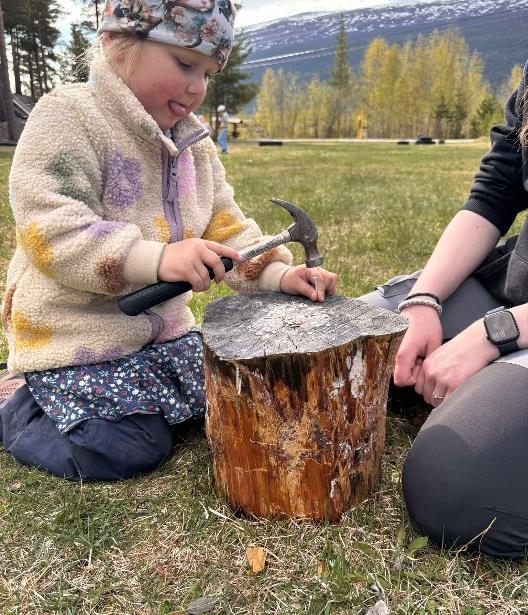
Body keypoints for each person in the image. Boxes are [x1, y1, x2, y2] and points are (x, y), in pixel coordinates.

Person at [0, 0, 337, 483]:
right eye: (184, 64)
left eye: (208, 73)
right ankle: (18, 404)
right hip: (74, 342)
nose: (197, 87)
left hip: (162, 336)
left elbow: (226, 226)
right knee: (122, 447)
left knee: (234, 392)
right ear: (120, 44)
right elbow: (50, 228)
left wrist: (280, 274)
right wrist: (153, 259)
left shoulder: (192, 144)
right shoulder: (68, 117)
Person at [360, 64, 528, 558]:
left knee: (453, 489)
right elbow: (496, 190)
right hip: (515, 287)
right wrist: (423, 300)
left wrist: (498, 333)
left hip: (514, 320)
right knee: (357, 343)